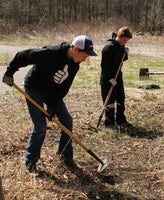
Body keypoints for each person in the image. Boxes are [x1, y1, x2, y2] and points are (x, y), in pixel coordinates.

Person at [2, 35, 98, 174]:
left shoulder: (74, 65)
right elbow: (23, 55)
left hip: (51, 91)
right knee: (40, 126)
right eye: (84, 55)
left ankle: (65, 156)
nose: (85, 59)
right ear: (75, 49)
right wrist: (10, 72)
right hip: (34, 89)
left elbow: (64, 87)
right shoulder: (51, 53)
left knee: (67, 120)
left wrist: (52, 104)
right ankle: (31, 163)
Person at [100, 27, 133, 127]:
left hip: (118, 77)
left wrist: (125, 53)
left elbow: (121, 59)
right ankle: (109, 122)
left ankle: (121, 120)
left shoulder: (121, 46)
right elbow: (104, 66)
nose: (125, 43)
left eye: (127, 41)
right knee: (110, 101)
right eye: (124, 40)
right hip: (107, 79)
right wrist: (110, 78)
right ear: (118, 36)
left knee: (120, 99)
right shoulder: (108, 47)